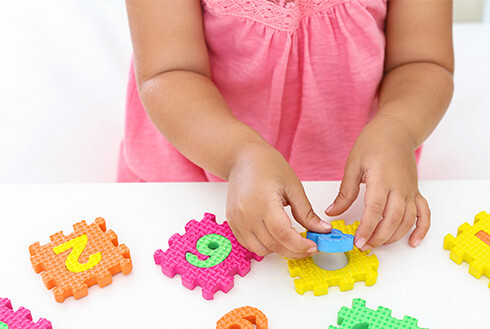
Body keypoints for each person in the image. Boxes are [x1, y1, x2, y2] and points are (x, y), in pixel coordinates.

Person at [123, 0, 454, 259]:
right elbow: (169, 72)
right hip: (196, 174)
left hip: (362, 187)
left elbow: (422, 62)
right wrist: (239, 155)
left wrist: (397, 130)